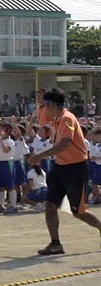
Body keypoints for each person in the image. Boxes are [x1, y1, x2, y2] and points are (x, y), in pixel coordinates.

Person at [29, 88, 101, 255]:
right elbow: (41, 120)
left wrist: (39, 156)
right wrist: (41, 101)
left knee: (78, 212)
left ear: (53, 105)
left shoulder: (67, 118)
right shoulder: (55, 118)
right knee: (50, 204)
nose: (44, 108)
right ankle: (55, 243)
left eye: (46, 104)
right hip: (60, 167)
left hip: (75, 168)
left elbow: (64, 144)